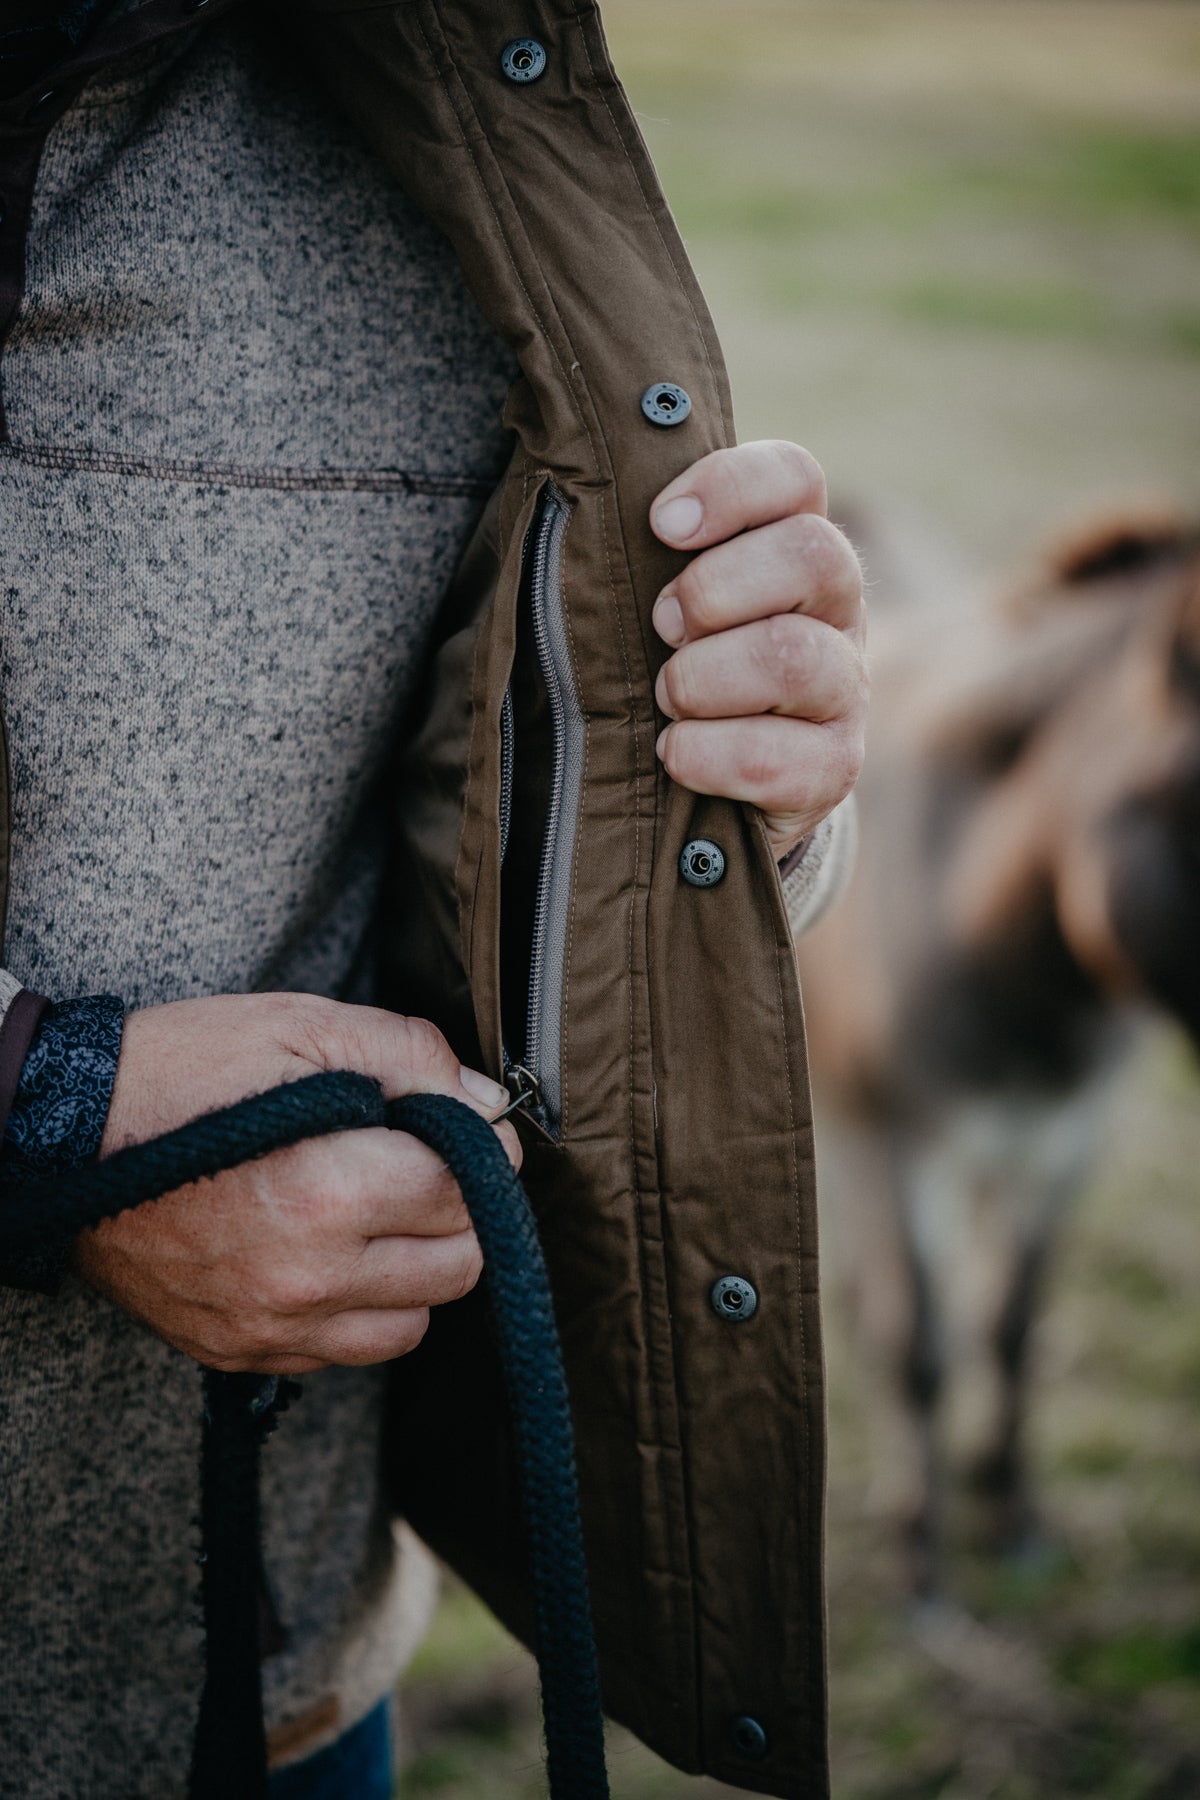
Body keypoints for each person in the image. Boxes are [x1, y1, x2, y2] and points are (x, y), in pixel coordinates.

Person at [0, 1, 866, 1795]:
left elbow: (485, 784)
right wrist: (44, 1106)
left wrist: (741, 793)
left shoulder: (460, 106)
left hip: (279, 1672)